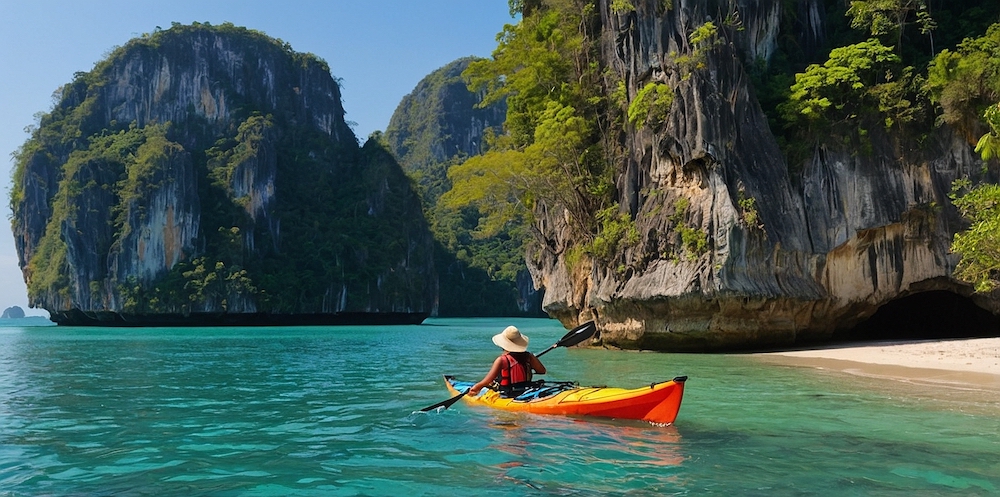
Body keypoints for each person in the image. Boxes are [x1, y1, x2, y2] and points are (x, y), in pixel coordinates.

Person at [468, 325, 546, 396]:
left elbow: (487, 381)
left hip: (507, 393)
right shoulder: (529, 357)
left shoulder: (501, 360)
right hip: (525, 391)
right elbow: (542, 371)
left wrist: (476, 387)